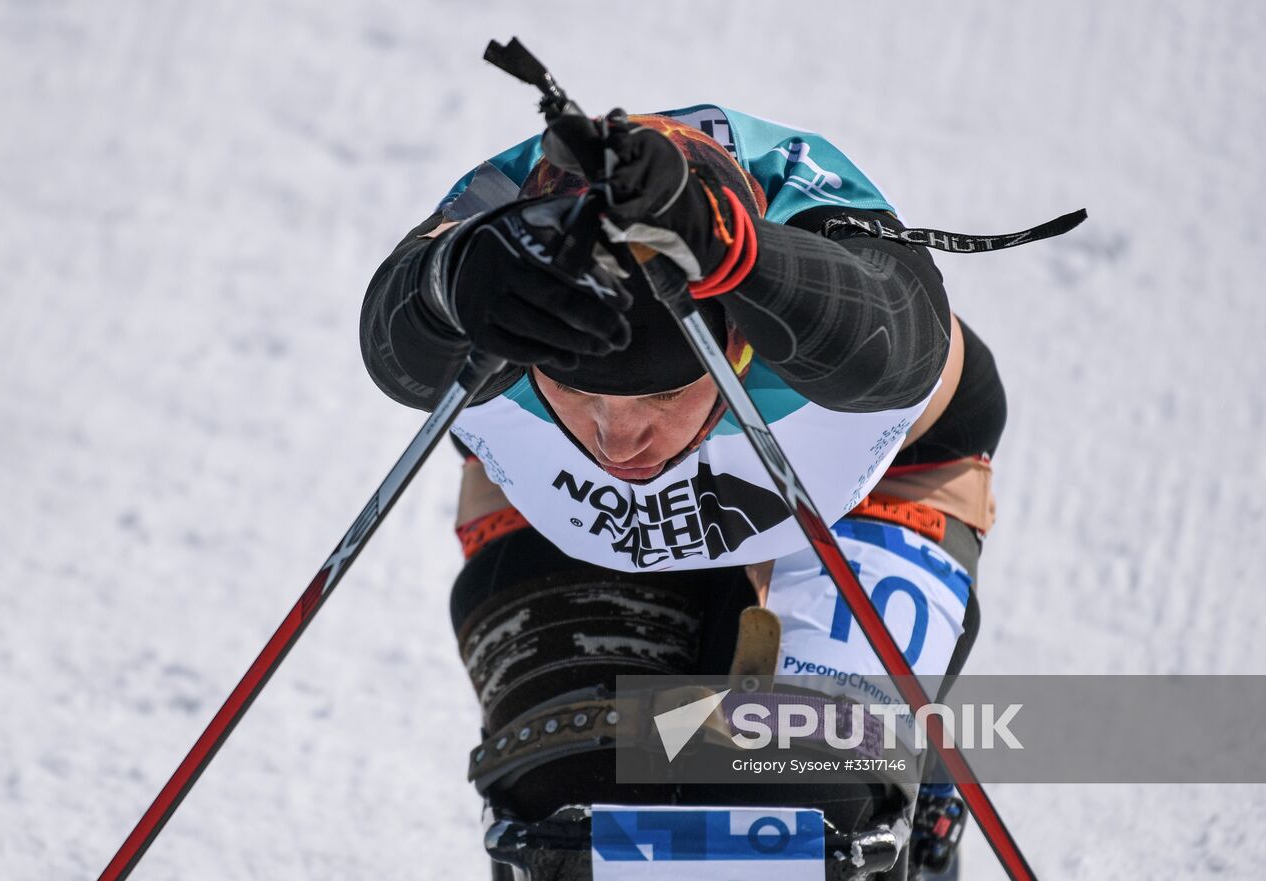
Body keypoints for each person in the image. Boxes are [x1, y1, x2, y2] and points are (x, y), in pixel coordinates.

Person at [360, 105, 1004, 879]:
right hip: (571, 521)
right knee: (574, 828)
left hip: (853, 496)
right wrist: (446, 284)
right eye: (572, 387)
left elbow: (901, 344)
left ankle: (917, 793)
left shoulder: (808, 206)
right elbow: (392, 342)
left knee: (795, 826)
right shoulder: (500, 230)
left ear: (736, 342)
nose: (616, 439)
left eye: (661, 398)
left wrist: (743, 257)